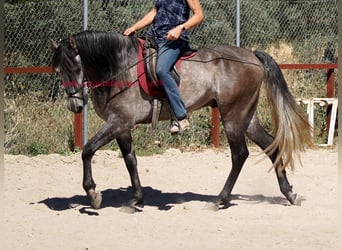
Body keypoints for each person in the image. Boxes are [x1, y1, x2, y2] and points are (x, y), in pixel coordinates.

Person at [124, 0, 204, 134]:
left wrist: (180, 28)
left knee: (161, 70)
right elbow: (155, 12)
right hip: (154, 37)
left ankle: (180, 116)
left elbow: (199, 15)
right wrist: (134, 27)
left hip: (174, 40)